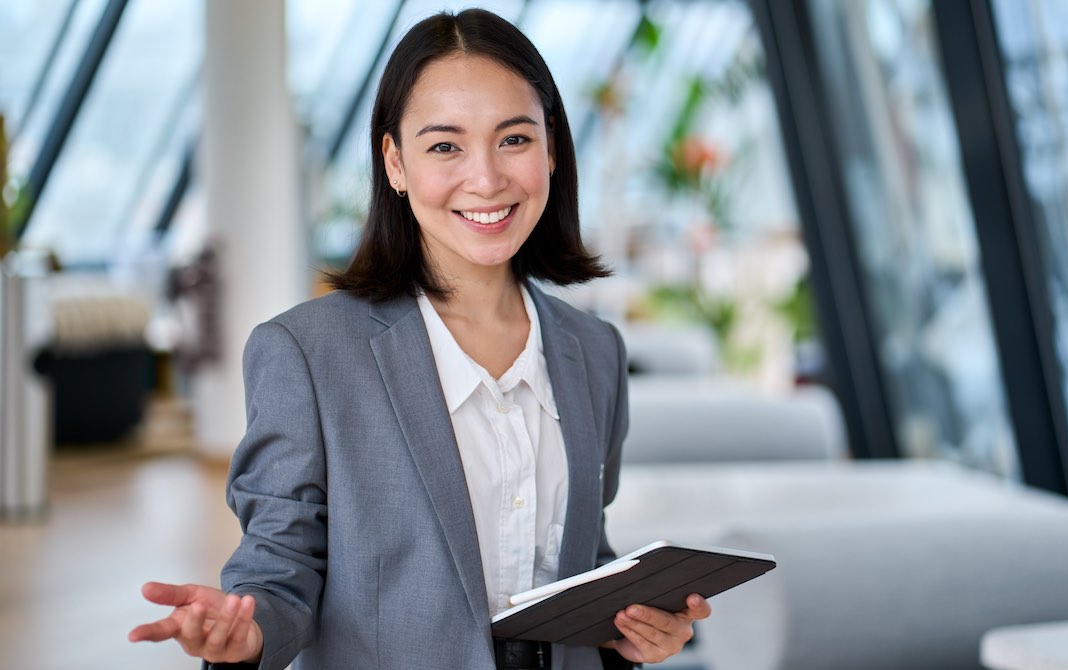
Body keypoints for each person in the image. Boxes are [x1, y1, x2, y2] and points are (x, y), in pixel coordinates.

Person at [129, 8, 710, 669]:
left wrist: (626, 628)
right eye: (445, 146)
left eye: (514, 140)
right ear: (395, 163)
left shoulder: (594, 350)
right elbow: (281, 567)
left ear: (551, 146)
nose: (487, 179)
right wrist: (246, 634)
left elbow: (578, 554)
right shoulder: (309, 353)